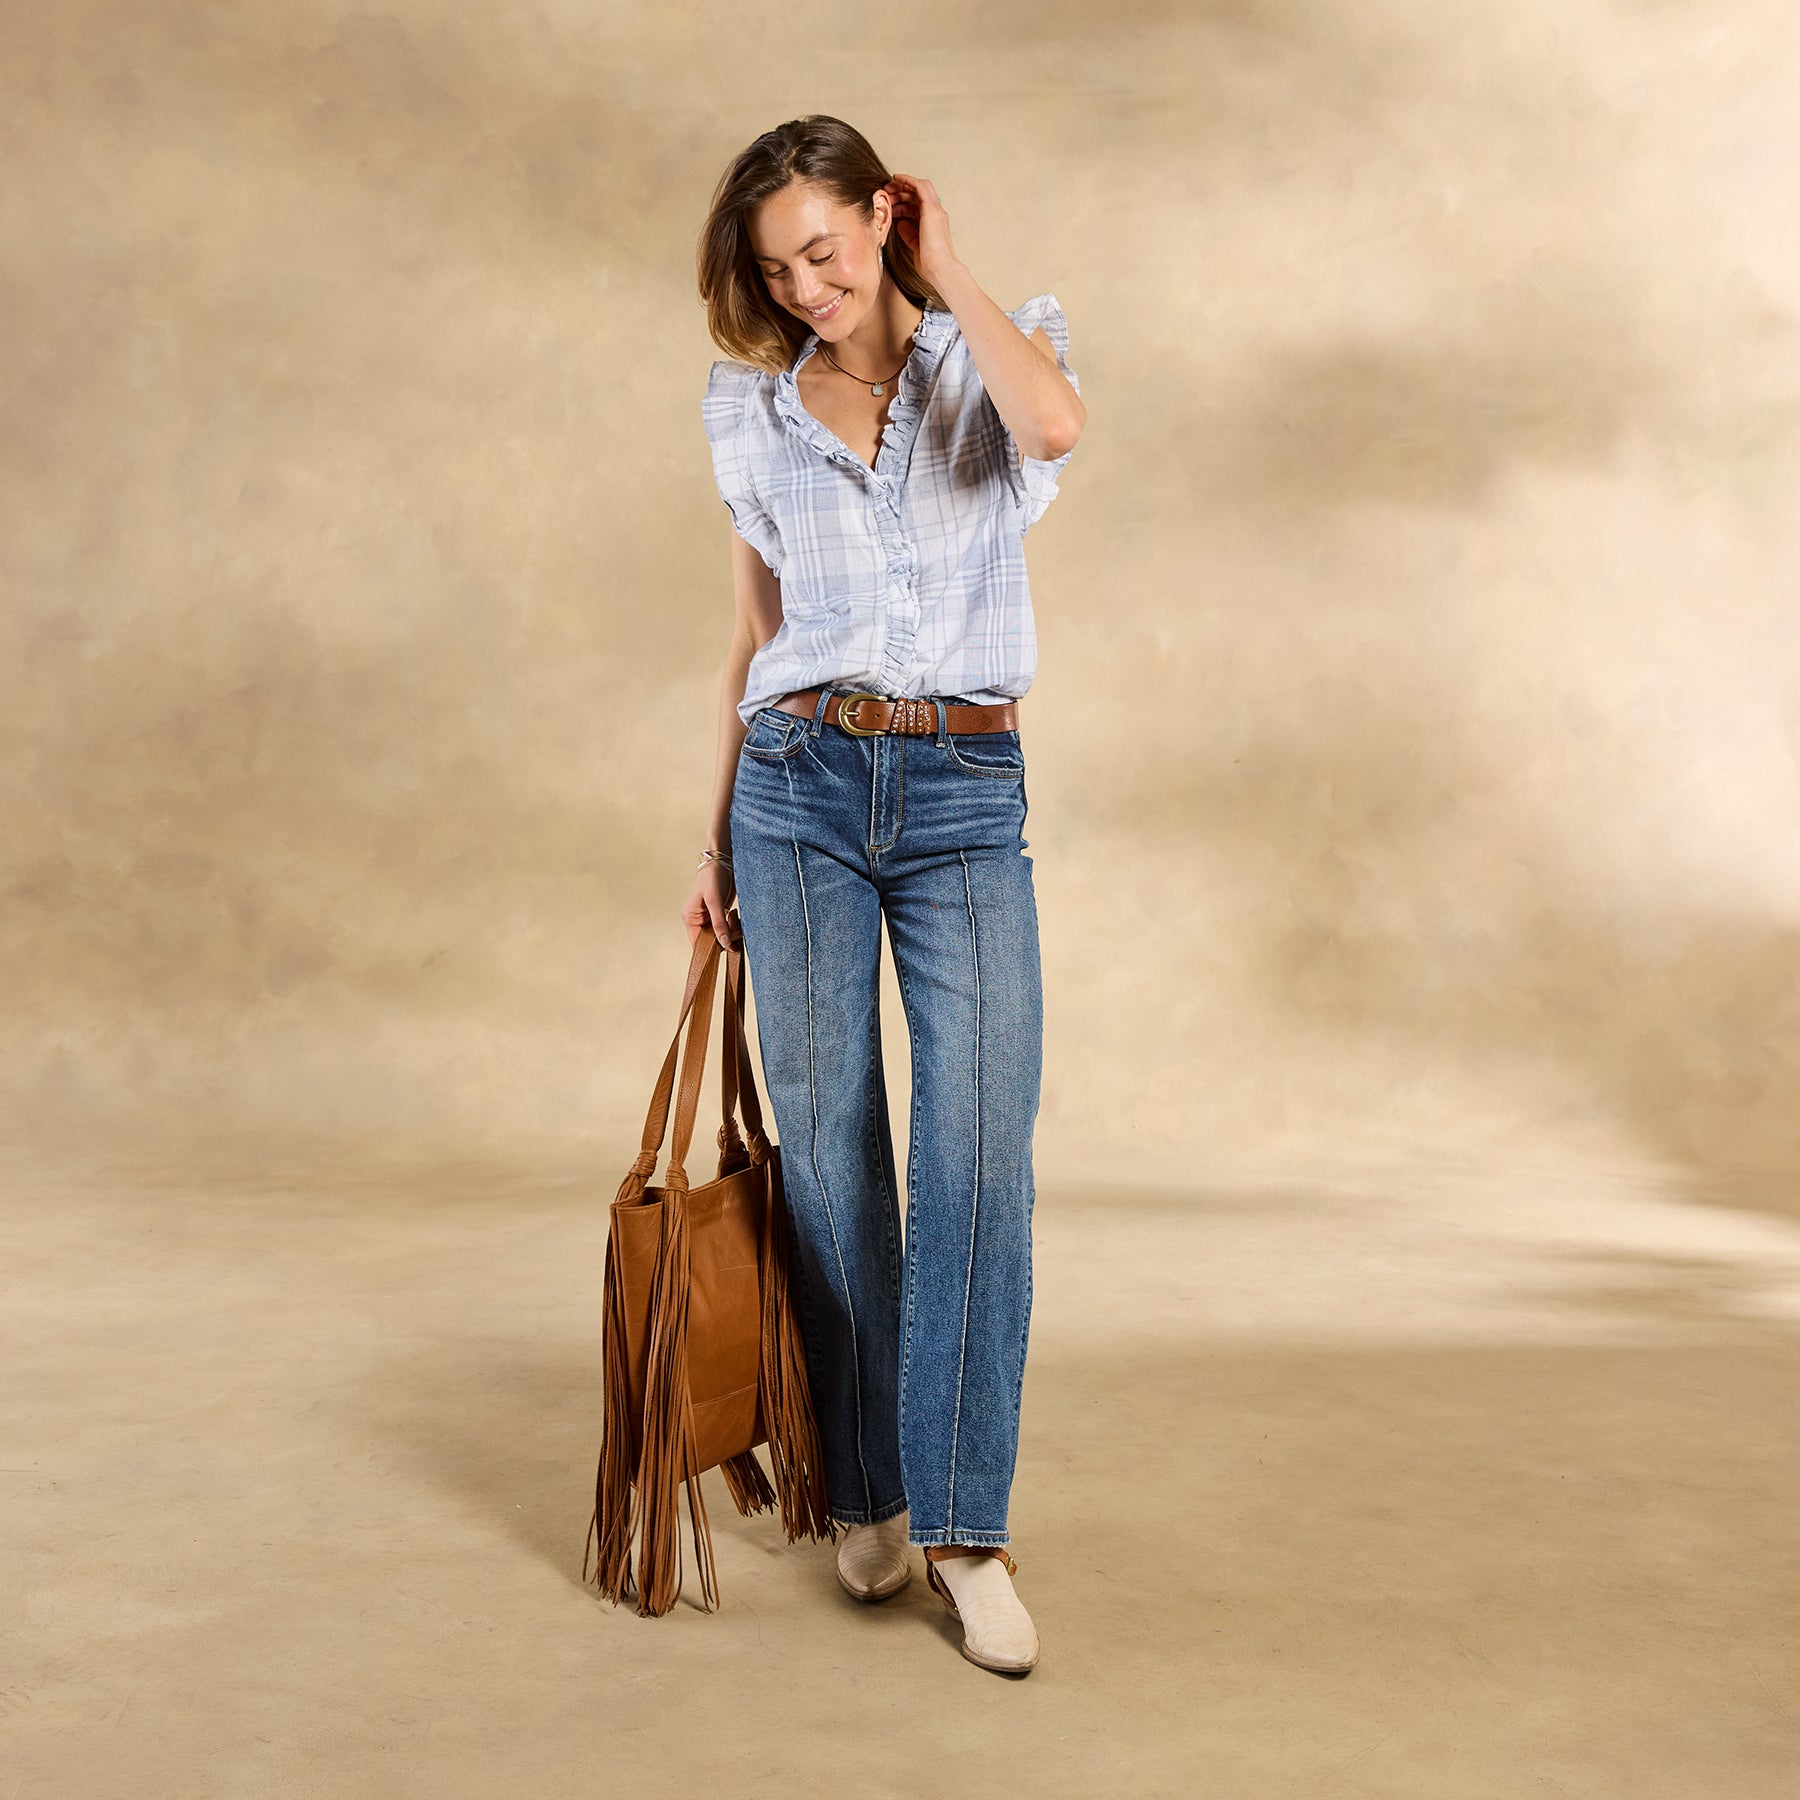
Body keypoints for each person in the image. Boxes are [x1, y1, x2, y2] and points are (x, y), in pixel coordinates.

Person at [681, 115, 1084, 1677]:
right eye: (777, 270)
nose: (805, 288)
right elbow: (751, 636)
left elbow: (1056, 430)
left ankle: (967, 1532)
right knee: (834, 1151)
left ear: (882, 220)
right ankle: (869, 1488)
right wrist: (711, 840)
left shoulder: (989, 363)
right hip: (796, 788)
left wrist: (947, 269)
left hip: (964, 791)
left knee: (976, 1154)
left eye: (826, 251)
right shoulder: (751, 410)